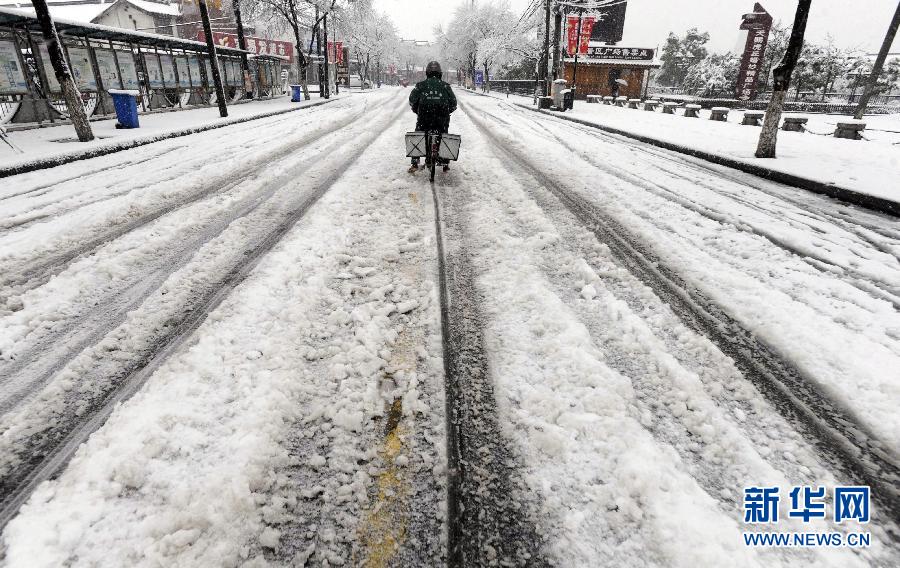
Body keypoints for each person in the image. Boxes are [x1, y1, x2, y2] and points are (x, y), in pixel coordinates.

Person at [408, 61, 457, 173]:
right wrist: (447, 111)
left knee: (419, 134)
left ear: (427, 72)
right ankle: (444, 162)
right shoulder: (446, 86)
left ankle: (415, 163)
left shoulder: (420, 85)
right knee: (443, 135)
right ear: (440, 73)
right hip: (442, 119)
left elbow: (411, 100)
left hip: (424, 118)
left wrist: (416, 109)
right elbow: (454, 103)